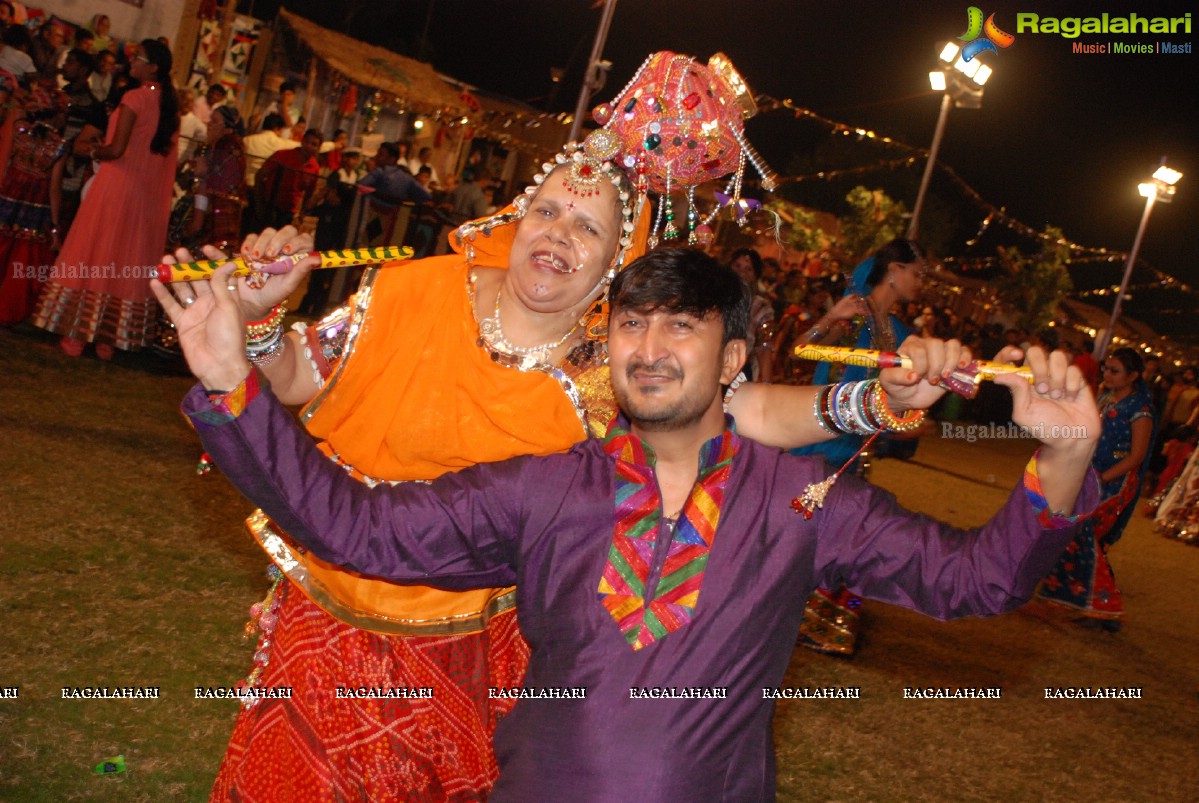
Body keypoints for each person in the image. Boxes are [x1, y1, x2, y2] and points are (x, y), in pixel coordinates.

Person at [158, 128, 960, 799]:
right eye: (548, 210)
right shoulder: (413, 289)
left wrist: (877, 400)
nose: (557, 234)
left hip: (474, 646)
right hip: (328, 606)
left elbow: (748, 408)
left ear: (617, 258)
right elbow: (296, 376)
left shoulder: (610, 368)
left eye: (588, 227)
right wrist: (259, 325)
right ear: (518, 214)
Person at [790, 237, 927, 655]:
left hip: (851, 449)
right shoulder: (849, 315)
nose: (921, 284)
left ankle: (821, 626)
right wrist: (831, 315)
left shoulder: (904, 337)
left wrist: (905, 423)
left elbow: (903, 399)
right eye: (917, 274)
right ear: (894, 270)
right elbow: (799, 349)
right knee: (795, 529)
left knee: (839, 534)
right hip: (809, 437)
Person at [33, 39, 178, 359]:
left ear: (153, 67)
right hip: (144, 196)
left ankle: (75, 336)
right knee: (123, 262)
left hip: (116, 188)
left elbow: (116, 150)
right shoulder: (166, 106)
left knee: (95, 256)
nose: (131, 63)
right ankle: (107, 341)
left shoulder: (136, 97)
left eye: (137, 58)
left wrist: (91, 150)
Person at [1037, 347, 1155, 631]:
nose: (1107, 374)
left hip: (1115, 483)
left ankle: (1105, 605)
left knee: (1082, 530)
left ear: (1133, 376)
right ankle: (1070, 601)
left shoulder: (1141, 411)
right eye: (1106, 369)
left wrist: (1102, 479)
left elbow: (1136, 457)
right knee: (1067, 529)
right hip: (1088, 474)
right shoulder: (1104, 398)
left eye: (1114, 371)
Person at [0, 103, 69, 324]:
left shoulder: (19, 130)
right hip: (35, 205)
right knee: (23, 259)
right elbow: (55, 187)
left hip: (9, 195)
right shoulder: (59, 145)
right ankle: (8, 310)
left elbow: (4, 164)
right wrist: (56, 226)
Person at [250, 127, 320, 230]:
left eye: (314, 144)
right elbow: (260, 176)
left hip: (288, 213)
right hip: (269, 206)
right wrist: (259, 204)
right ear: (302, 141)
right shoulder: (283, 155)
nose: (309, 146)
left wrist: (301, 215)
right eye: (307, 142)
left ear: (318, 148)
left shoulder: (314, 168)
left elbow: (308, 194)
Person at [728, 247, 775, 382]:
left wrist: (766, 384)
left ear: (755, 275)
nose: (741, 271)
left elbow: (764, 346)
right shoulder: (710, 297)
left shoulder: (761, 307)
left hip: (737, 372)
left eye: (748, 269)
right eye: (737, 265)